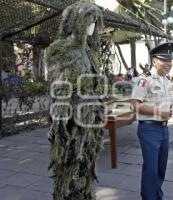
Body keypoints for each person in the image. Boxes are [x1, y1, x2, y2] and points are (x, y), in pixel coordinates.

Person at [46, 2, 103, 199]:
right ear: (74, 22)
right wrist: (59, 125)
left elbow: (94, 84)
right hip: (71, 120)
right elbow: (58, 88)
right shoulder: (60, 49)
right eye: (88, 20)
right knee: (69, 167)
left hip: (90, 119)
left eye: (95, 21)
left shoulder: (89, 51)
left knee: (87, 164)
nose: (92, 26)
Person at [130, 42, 173, 200]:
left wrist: (170, 110)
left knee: (161, 169)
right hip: (149, 130)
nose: (168, 64)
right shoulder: (144, 79)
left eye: (170, 61)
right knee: (151, 169)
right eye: (165, 60)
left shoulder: (166, 80)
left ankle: (157, 196)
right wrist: (159, 111)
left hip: (164, 129)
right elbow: (134, 105)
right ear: (155, 60)